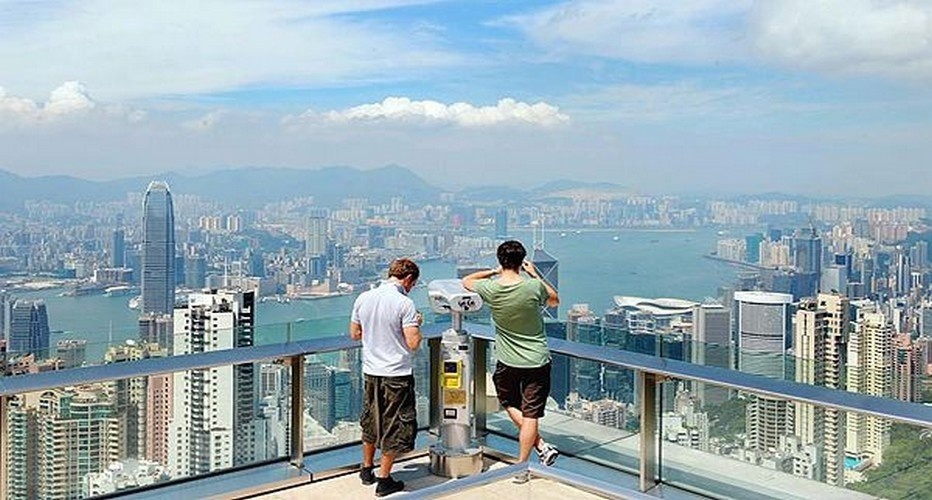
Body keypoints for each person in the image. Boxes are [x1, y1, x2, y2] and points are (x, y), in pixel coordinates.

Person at [462, 240, 560, 475]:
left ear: (500, 260)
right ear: (521, 261)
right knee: (531, 413)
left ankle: (538, 449)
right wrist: (534, 274)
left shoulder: (492, 288)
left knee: (508, 403)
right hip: (537, 359)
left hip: (507, 360)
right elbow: (554, 299)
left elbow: (467, 281)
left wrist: (493, 272)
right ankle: (526, 461)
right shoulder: (533, 286)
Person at [350, 258, 422, 497]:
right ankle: (384, 478)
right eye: (413, 283)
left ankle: (367, 468)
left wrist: (377, 341)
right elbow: (413, 343)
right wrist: (416, 325)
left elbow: (355, 334)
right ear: (409, 279)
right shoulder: (405, 303)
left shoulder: (364, 298)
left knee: (371, 419)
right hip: (396, 373)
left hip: (371, 371)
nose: (411, 288)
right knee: (395, 424)